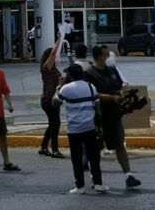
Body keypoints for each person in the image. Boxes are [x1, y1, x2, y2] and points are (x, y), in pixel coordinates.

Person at [85, 45, 141, 189]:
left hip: (115, 113)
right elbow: (93, 94)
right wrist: (111, 98)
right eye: (106, 54)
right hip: (98, 115)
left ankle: (128, 175)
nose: (108, 57)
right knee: (97, 147)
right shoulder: (89, 74)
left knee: (119, 144)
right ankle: (94, 177)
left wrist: (121, 93)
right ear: (99, 56)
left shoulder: (112, 70)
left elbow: (119, 85)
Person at [54, 63, 106, 194]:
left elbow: (55, 103)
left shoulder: (66, 89)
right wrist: (99, 126)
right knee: (93, 157)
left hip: (74, 129)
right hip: (90, 127)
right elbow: (97, 108)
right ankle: (98, 183)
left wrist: (58, 87)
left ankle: (80, 186)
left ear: (70, 75)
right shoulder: (91, 87)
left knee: (76, 158)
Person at [39, 43, 66, 159]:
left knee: (53, 124)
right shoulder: (46, 68)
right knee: (56, 124)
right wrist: (59, 41)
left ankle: (43, 147)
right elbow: (53, 54)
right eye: (54, 57)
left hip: (54, 100)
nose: (56, 58)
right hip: (48, 100)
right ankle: (54, 150)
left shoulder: (53, 69)